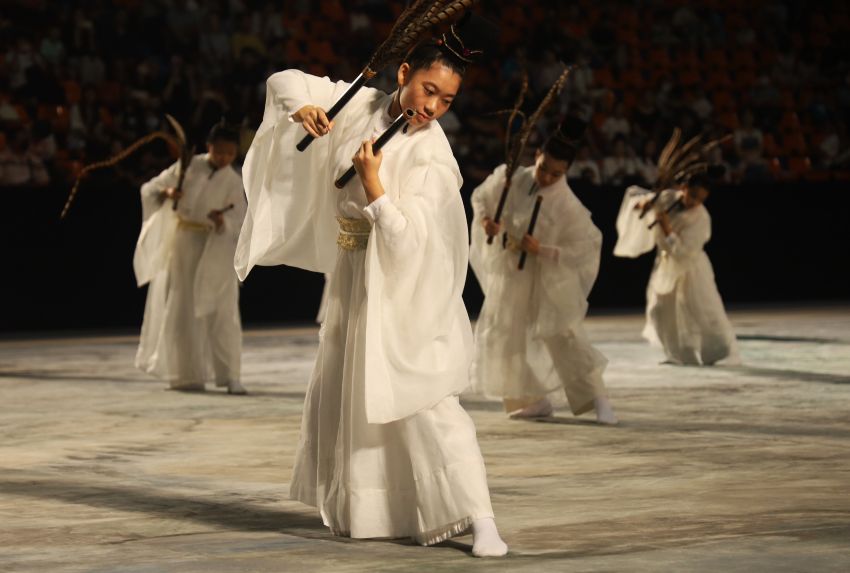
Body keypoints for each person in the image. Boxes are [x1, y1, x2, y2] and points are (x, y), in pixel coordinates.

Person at [234, 29, 508, 556]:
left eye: (446, 100)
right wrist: (303, 111)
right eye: (428, 90)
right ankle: (372, 509)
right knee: (352, 391)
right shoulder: (357, 102)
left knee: (425, 400)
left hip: (403, 288)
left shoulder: (432, 153)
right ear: (403, 73)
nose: (433, 107)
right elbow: (283, 81)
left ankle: (481, 516)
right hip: (352, 275)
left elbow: (420, 240)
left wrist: (375, 185)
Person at [469, 121, 618, 424]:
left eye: (557, 173)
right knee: (507, 333)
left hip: (548, 277)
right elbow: (481, 197)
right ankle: (532, 400)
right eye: (544, 168)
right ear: (536, 155)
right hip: (513, 272)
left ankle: (597, 396)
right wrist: (488, 221)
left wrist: (543, 249)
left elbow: (588, 245)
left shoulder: (568, 204)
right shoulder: (512, 178)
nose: (548, 177)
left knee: (564, 334)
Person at [134, 122, 247, 393]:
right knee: (182, 308)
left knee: (223, 311)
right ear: (209, 147)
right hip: (184, 244)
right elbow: (149, 189)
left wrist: (224, 221)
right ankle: (185, 374)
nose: (224, 159)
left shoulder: (234, 179)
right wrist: (167, 192)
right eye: (220, 152)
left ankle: (229, 374)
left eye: (230, 154)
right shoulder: (189, 166)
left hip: (215, 246)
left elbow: (240, 217)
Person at [613, 171, 739, 366]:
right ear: (684, 188)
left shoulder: (702, 218)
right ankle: (679, 354)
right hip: (666, 265)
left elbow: (684, 251)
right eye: (693, 195)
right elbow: (645, 201)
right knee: (660, 310)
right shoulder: (668, 197)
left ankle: (715, 350)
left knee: (700, 310)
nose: (695, 202)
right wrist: (643, 206)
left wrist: (667, 228)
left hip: (691, 268)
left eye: (701, 199)